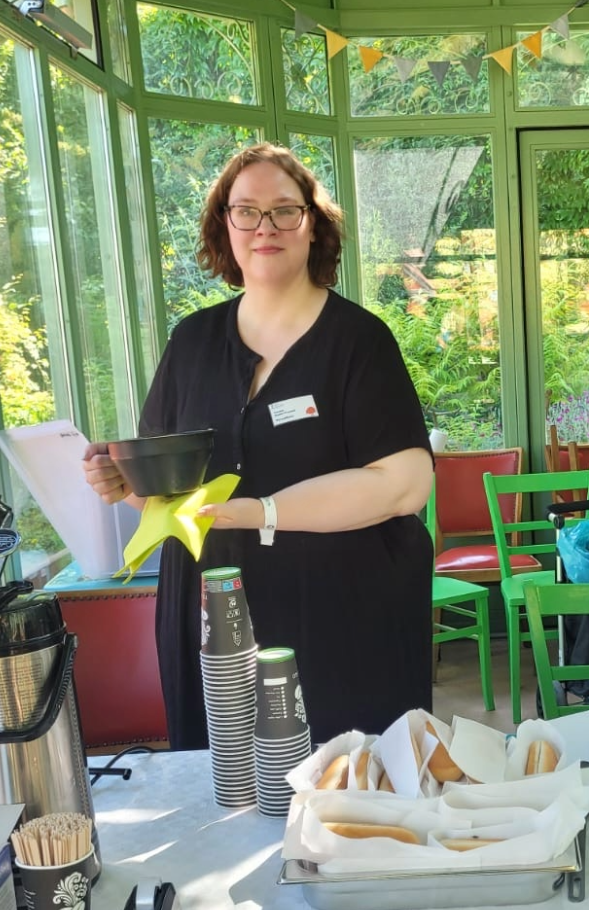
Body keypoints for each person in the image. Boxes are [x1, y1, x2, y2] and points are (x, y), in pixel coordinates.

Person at [84, 143, 434, 748]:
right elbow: (164, 496)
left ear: (313, 225)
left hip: (343, 619)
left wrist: (261, 512)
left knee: (346, 784)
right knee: (225, 787)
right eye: (245, 210)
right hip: (216, 618)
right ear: (225, 224)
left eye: (284, 210)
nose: (264, 227)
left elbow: (405, 485)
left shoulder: (360, 341)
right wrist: (123, 480)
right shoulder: (191, 343)